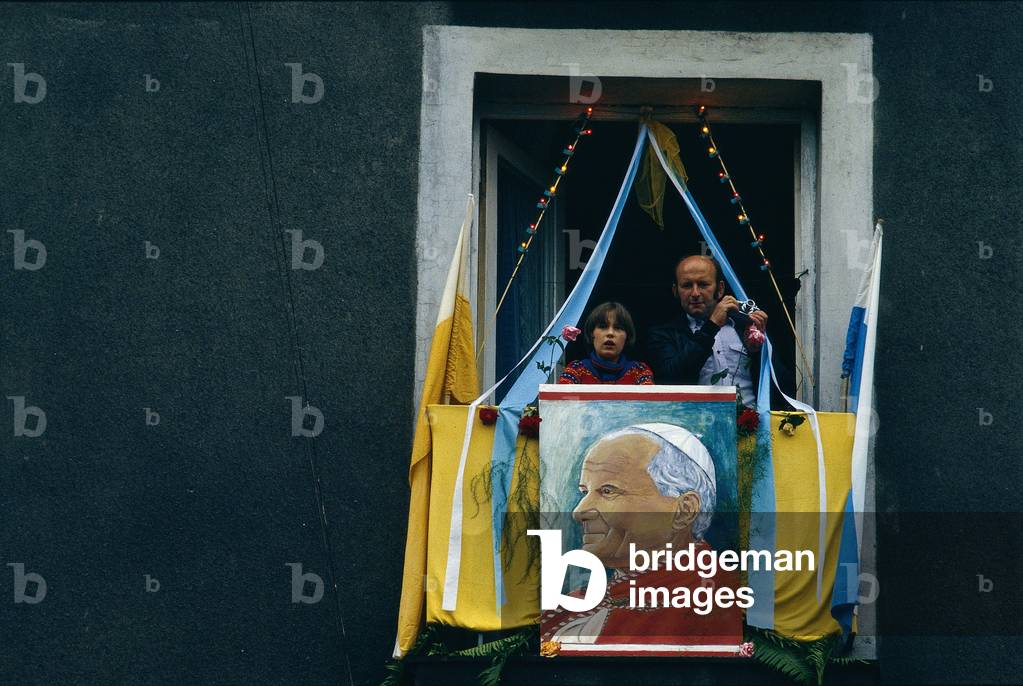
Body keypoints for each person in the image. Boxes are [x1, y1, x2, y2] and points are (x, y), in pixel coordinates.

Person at [540, 423, 742, 653]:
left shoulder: (712, 601)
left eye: (608, 491)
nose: (579, 511)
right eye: (585, 491)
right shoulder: (580, 601)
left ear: (684, 510)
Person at [647, 255, 768, 407]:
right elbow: (671, 379)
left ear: (720, 289)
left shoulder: (744, 326)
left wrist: (759, 353)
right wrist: (712, 326)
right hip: (692, 427)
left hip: (751, 425)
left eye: (703, 285)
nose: (695, 293)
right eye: (686, 285)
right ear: (675, 291)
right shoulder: (663, 333)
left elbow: (778, 383)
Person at [558, 302, 654, 385]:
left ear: (627, 337)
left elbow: (649, 404)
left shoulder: (640, 371)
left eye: (618, 328)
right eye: (603, 327)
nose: (610, 333)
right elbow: (561, 402)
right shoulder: (576, 370)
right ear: (592, 334)